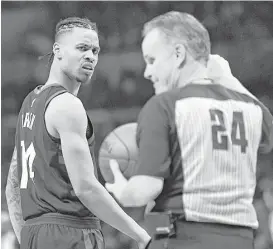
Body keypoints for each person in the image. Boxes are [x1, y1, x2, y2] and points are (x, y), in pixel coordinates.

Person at [105, 11, 273, 249]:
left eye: (152, 60)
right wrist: (227, 78)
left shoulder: (163, 106)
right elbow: (269, 131)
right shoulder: (250, 109)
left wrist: (123, 191)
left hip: (183, 238)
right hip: (242, 241)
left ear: (178, 54)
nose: (147, 72)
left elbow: (145, 189)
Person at [5, 17, 151, 249]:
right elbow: (86, 188)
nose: (90, 56)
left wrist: (27, 237)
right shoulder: (67, 105)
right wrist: (141, 235)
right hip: (70, 232)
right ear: (58, 50)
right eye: (82, 48)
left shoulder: (29, 103)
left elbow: (11, 186)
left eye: (95, 50)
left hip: (34, 234)